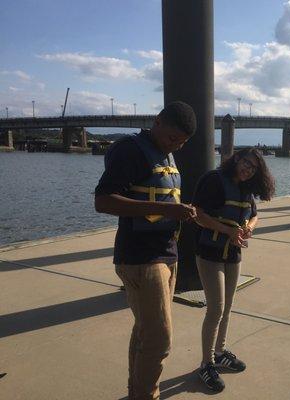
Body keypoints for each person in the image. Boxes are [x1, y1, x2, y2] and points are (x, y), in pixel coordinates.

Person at [94, 101, 198, 400]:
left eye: (182, 142)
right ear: (157, 122)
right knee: (159, 340)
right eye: (172, 138)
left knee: (145, 332)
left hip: (167, 254)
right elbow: (103, 201)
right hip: (140, 258)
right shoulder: (130, 150)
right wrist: (166, 209)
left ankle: (134, 391)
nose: (176, 146)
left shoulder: (165, 153)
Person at [192, 148, 275, 392]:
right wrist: (228, 230)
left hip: (233, 253)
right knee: (215, 308)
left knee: (227, 306)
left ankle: (219, 352)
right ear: (237, 159)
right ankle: (206, 364)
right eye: (246, 163)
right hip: (209, 251)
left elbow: (255, 215)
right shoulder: (214, 180)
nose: (248, 170)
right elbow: (198, 214)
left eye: (253, 169)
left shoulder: (246, 189)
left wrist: (248, 227)